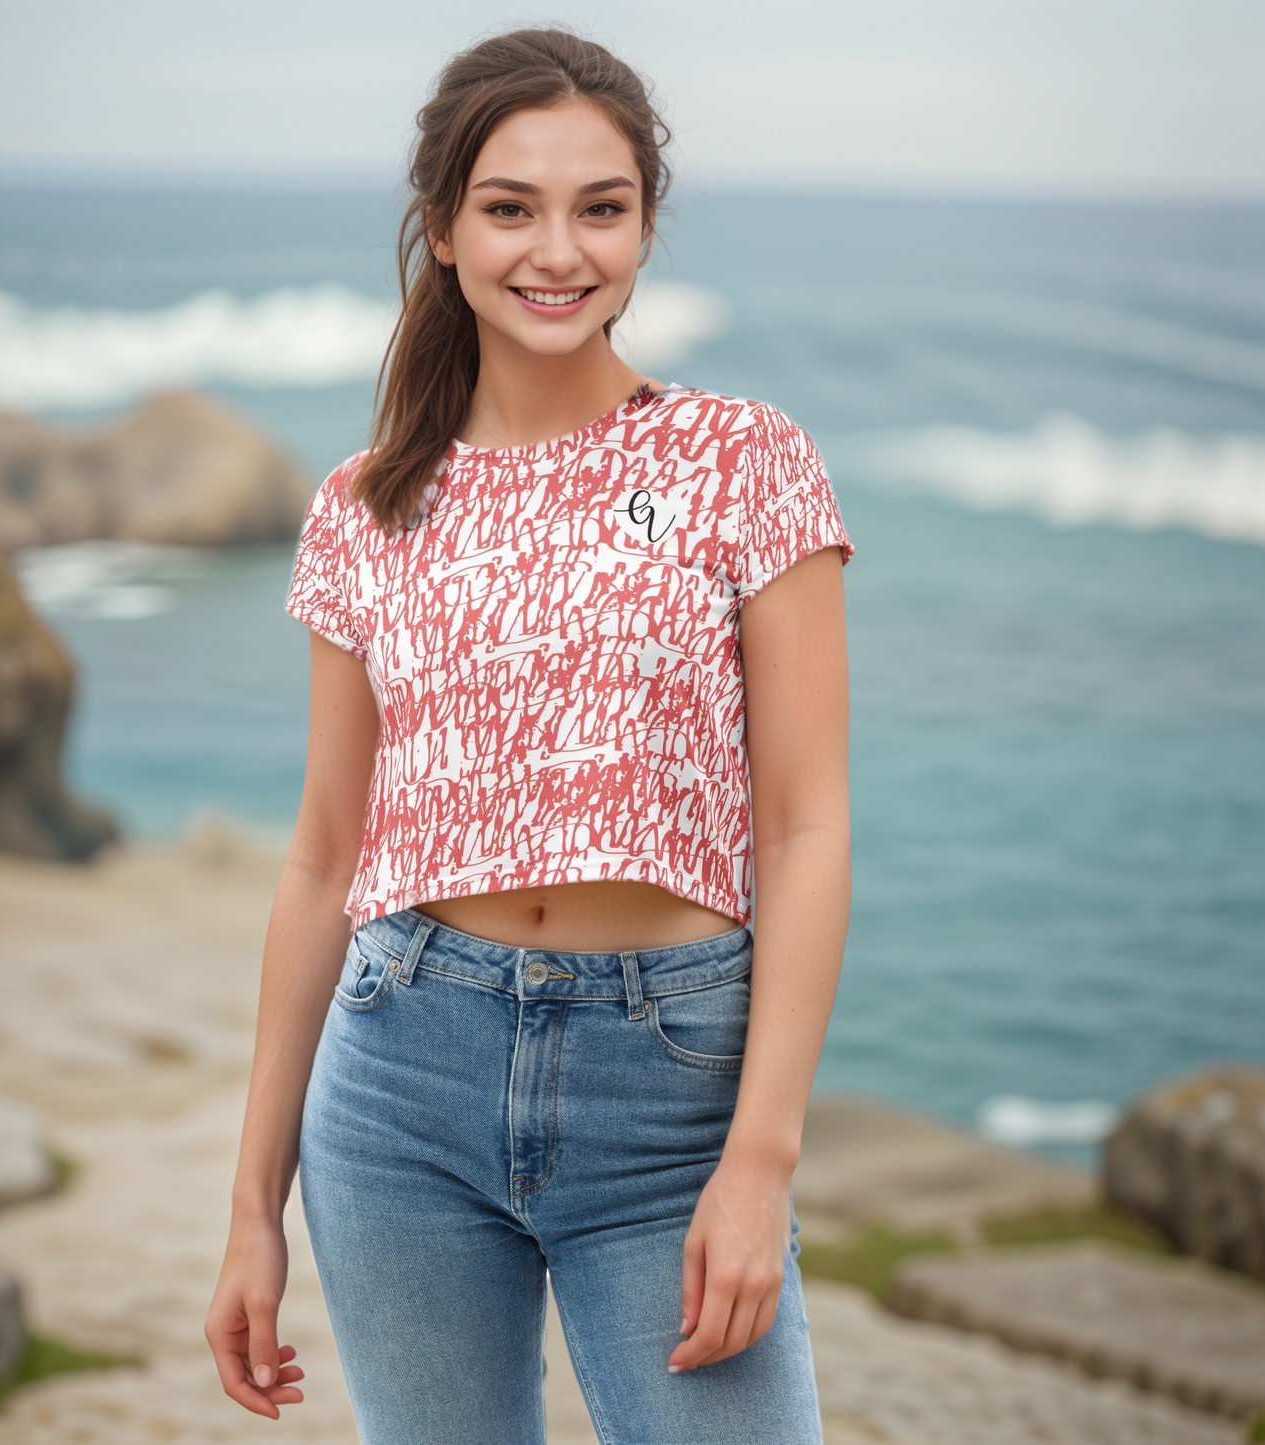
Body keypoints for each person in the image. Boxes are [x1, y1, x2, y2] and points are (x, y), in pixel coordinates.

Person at [204, 26, 853, 1445]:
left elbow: (808, 826)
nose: (556, 251)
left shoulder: (745, 462)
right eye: (510, 208)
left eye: (599, 208)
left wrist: (760, 1162)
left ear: (643, 227)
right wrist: (253, 1207)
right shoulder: (367, 504)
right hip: (400, 1084)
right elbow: (324, 861)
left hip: (671, 1095)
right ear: (441, 229)